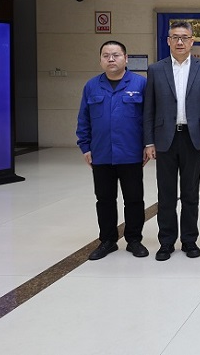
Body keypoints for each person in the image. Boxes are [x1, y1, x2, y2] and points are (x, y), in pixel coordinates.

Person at [143, 21, 200, 261]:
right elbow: (149, 109)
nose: (180, 42)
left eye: (185, 37)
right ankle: (166, 242)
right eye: (175, 37)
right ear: (168, 41)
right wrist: (149, 142)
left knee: (190, 193)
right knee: (166, 194)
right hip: (165, 139)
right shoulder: (156, 69)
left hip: (193, 138)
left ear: (192, 41)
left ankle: (189, 240)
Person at [76, 40, 149, 260]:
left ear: (126, 58)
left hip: (131, 152)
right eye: (106, 55)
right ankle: (107, 240)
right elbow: (84, 119)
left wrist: (148, 145)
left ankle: (134, 240)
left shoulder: (140, 84)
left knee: (134, 199)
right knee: (104, 199)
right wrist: (85, 146)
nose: (111, 59)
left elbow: (148, 118)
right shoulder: (91, 86)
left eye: (116, 55)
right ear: (100, 60)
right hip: (101, 153)